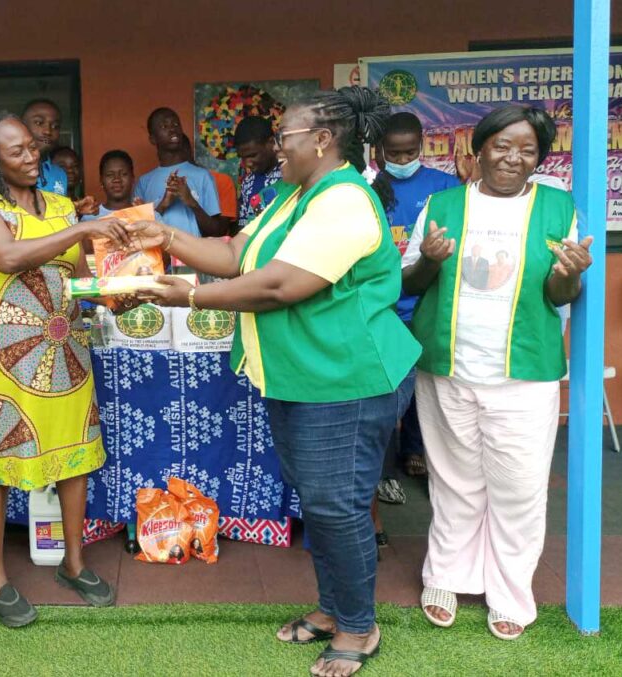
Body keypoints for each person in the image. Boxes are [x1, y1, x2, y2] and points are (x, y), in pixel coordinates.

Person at [131, 87, 417, 677]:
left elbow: (280, 285)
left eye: (284, 136)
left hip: (348, 379)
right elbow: (238, 253)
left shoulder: (344, 200)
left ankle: (358, 627)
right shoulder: (294, 194)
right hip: (301, 377)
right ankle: (334, 610)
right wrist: (167, 239)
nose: (275, 146)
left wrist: (189, 295)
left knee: (337, 507)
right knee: (319, 503)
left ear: (322, 140)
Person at [401, 105, 592, 641]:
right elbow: (411, 283)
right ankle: (446, 576)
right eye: (502, 146)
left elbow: (560, 295)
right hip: (448, 366)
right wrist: (430, 259)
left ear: (540, 159)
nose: (513, 158)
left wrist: (569, 275)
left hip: (525, 373)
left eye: (528, 150)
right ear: (479, 149)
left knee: (519, 489)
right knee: (453, 481)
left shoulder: (557, 207)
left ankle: (509, 593)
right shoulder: (443, 204)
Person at [0, 111, 132, 627]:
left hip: (66, 346)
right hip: (9, 354)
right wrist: (84, 227)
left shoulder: (59, 206)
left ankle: (74, 563)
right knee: (3, 456)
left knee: (76, 449)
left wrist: (118, 293)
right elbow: (8, 257)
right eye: (17, 151)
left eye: (33, 146)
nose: (31, 156)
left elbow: (79, 277)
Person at [376, 112, 460, 480]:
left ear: (421, 146)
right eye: (394, 153)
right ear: (380, 150)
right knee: (385, 386)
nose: (402, 160)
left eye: (410, 152)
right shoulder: (368, 187)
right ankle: (382, 463)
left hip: (425, 304)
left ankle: (414, 448)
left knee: (422, 385)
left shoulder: (444, 186)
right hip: (381, 304)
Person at [134, 107, 226, 237]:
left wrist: (191, 202)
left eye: (176, 124)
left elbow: (215, 232)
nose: (172, 129)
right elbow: (138, 233)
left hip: (193, 250)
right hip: (158, 250)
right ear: (153, 139)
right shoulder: (143, 182)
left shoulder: (203, 176)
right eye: (164, 126)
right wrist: (164, 204)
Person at [234, 116, 284, 229]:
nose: (247, 163)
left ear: (271, 142)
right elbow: (243, 226)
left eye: (252, 155)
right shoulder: (247, 183)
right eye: (242, 157)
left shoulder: (290, 175)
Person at [181, 134, 237, 234]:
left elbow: (220, 231)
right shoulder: (161, 182)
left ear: (187, 151)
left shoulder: (221, 181)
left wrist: (192, 203)